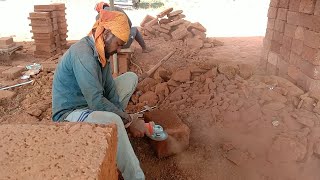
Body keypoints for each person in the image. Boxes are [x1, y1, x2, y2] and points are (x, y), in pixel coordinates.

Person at [52, 10, 145, 180]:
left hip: (90, 103)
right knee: (114, 119)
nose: (118, 50)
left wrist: (126, 118)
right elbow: (96, 101)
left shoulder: (101, 51)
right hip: (70, 112)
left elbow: (110, 91)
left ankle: (115, 131)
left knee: (130, 78)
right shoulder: (83, 54)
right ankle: (136, 176)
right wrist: (128, 120)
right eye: (118, 44)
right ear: (107, 33)